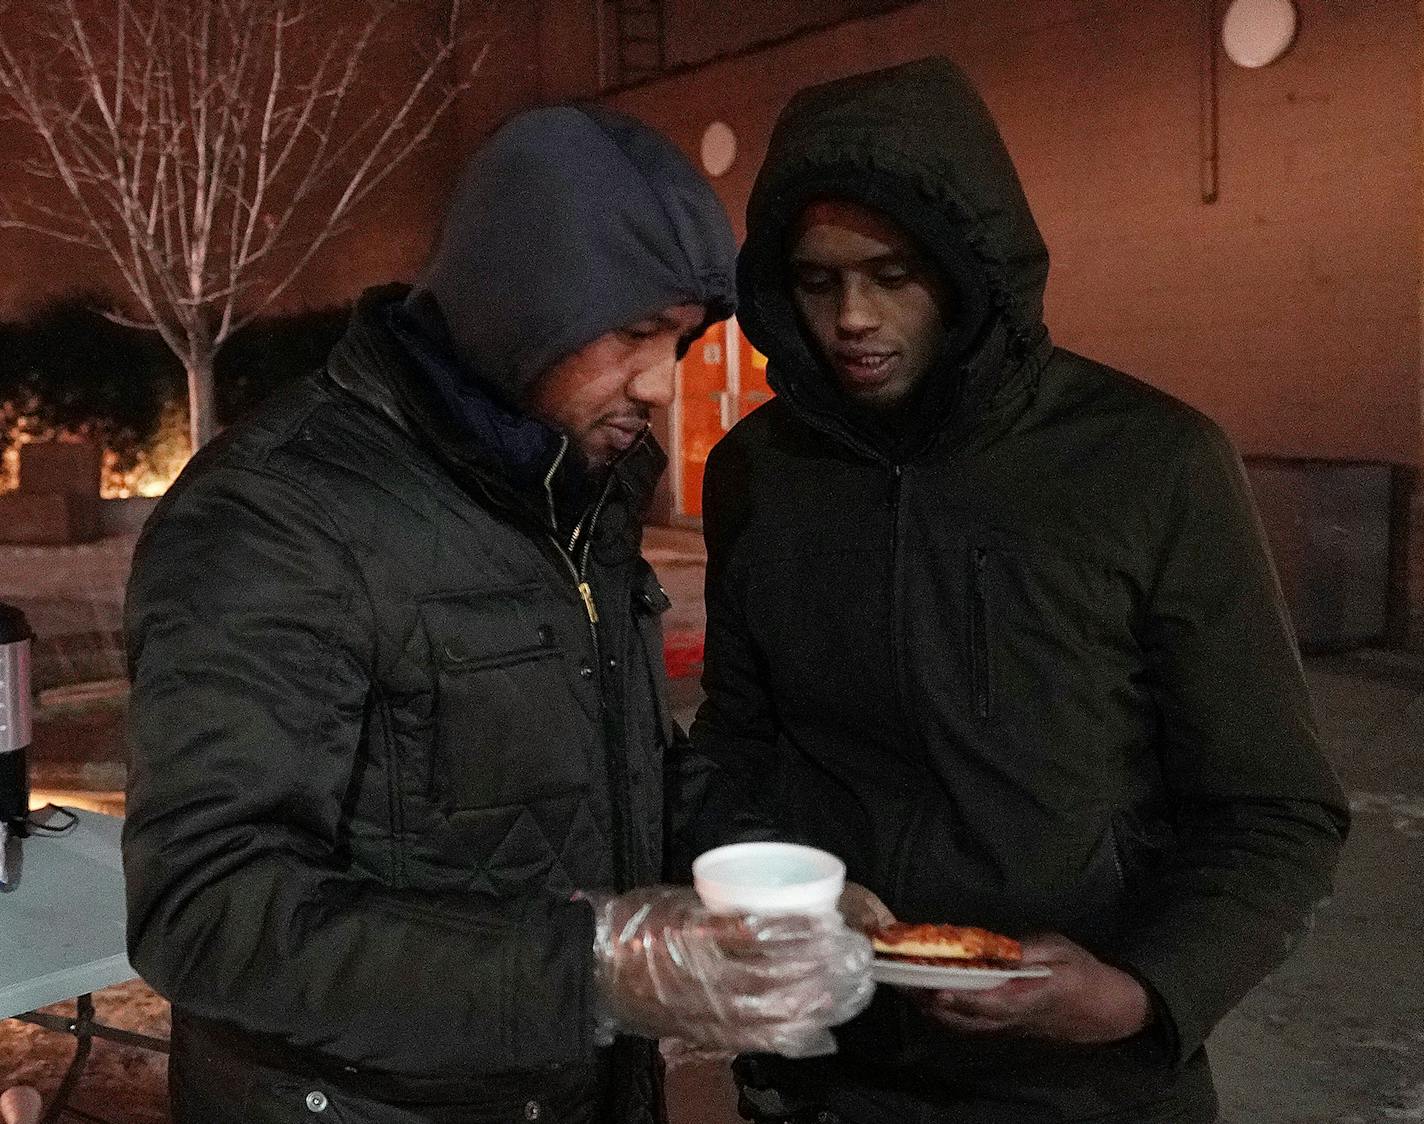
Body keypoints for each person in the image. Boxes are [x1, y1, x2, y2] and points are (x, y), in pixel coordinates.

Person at [122, 105, 870, 1124]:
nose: (663, 381)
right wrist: (591, 970)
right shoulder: (275, 516)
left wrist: (767, 875)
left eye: (684, 340)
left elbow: (611, 765)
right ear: (523, 307)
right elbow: (210, 911)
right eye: (636, 332)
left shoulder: (570, 486)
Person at [688, 57, 1349, 1123]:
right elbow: (736, 741)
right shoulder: (758, 472)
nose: (851, 315)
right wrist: (758, 894)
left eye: (892, 273)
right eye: (817, 281)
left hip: (1078, 1088)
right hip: (825, 1074)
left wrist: (1141, 991)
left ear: (965, 268)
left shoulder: (1148, 463)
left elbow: (1273, 805)